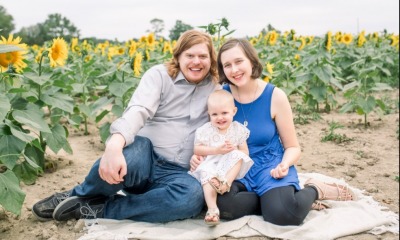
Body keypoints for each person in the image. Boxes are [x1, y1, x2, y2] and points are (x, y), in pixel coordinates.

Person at [32, 29, 221, 223]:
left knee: (191, 197)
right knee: (129, 155)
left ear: (211, 59)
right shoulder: (160, 76)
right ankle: (78, 194)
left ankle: (99, 209)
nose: (196, 62)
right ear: (178, 56)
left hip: (178, 173)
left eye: (203, 56)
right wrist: (114, 144)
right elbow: (139, 109)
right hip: (144, 159)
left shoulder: (216, 86)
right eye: (190, 55)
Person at [190, 38, 355, 226]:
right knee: (222, 204)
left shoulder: (275, 96)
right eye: (227, 65)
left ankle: (313, 190)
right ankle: (275, 201)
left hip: (270, 167)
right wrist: (199, 157)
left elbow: (293, 146)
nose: (234, 70)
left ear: (251, 61)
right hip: (236, 170)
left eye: (239, 61)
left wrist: (284, 164)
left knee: (284, 215)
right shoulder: (222, 96)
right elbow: (210, 133)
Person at [189, 90, 253, 225]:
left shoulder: (238, 129)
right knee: (206, 174)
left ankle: (225, 184)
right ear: (209, 114)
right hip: (211, 163)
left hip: (229, 168)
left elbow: (245, 152)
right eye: (214, 114)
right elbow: (197, 149)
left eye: (224, 113)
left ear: (234, 111)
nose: (220, 118)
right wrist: (216, 150)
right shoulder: (205, 130)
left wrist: (234, 149)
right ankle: (212, 209)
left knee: (239, 155)